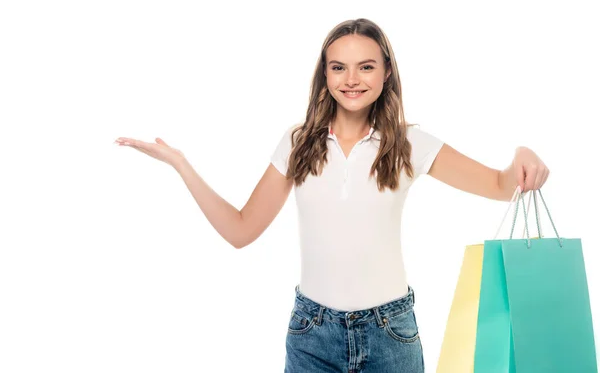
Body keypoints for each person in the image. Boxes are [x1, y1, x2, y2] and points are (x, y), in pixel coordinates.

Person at [114, 18, 549, 372]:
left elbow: (498, 184)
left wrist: (521, 156)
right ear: (325, 74)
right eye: (338, 66)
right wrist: (181, 164)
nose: (352, 79)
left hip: (390, 336)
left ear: (386, 72)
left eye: (366, 66)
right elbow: (240, 230)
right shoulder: (298, 142)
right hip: (312, 336)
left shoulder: (409, 144)